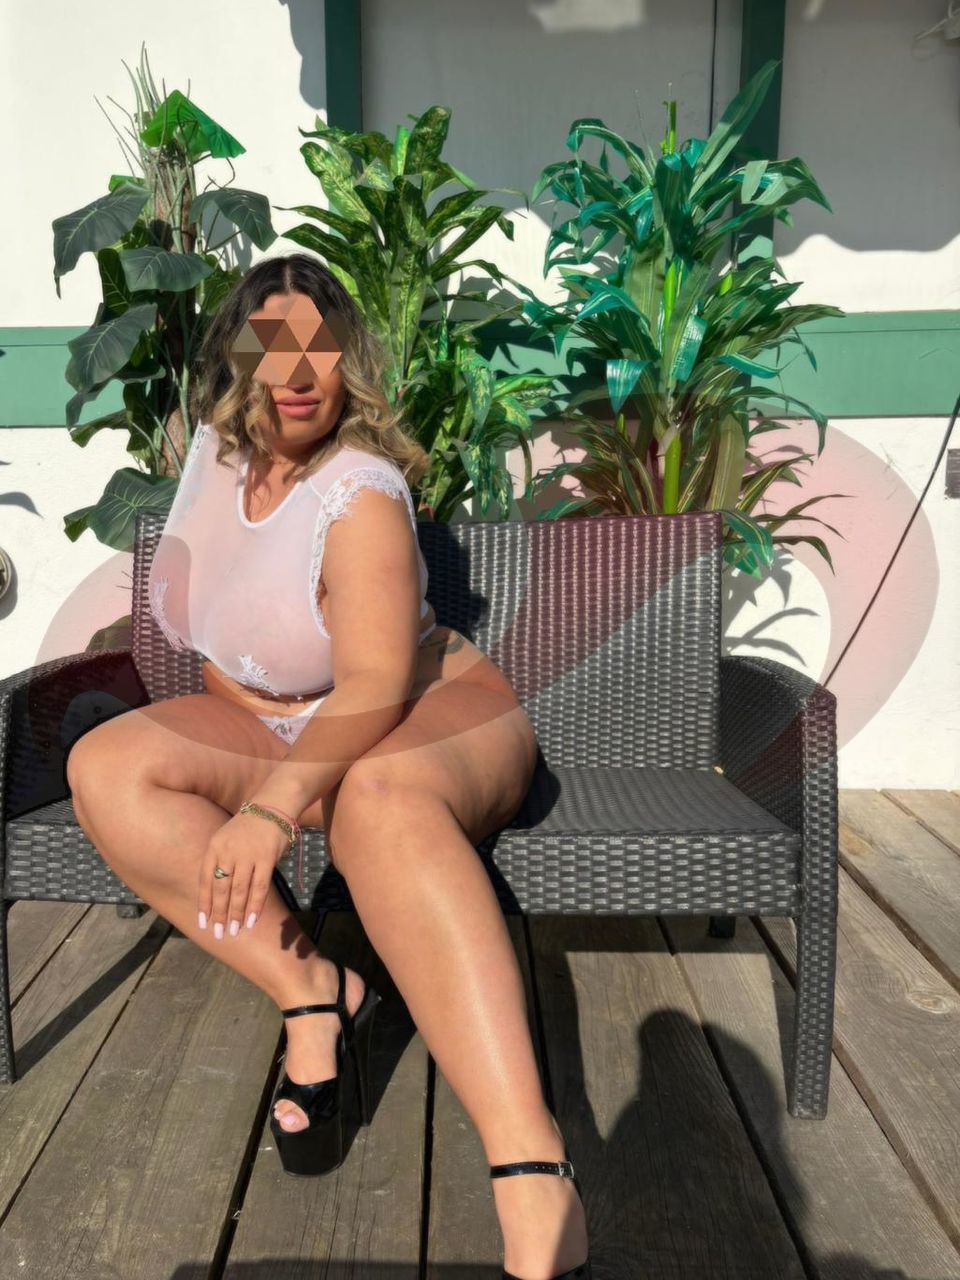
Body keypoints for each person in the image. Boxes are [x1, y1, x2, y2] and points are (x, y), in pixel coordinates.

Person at [65, 252, 591, 1280]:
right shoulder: (215, 465)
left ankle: (533, 1170)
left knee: (375, 803)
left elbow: (372, 687)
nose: (301, 372)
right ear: (237, 363)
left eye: (323, 347)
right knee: (107, 767)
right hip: (267, 722)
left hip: (418, 706)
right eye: (274, 347)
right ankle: (315, 990)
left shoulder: (360, 492)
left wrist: (271, 811)